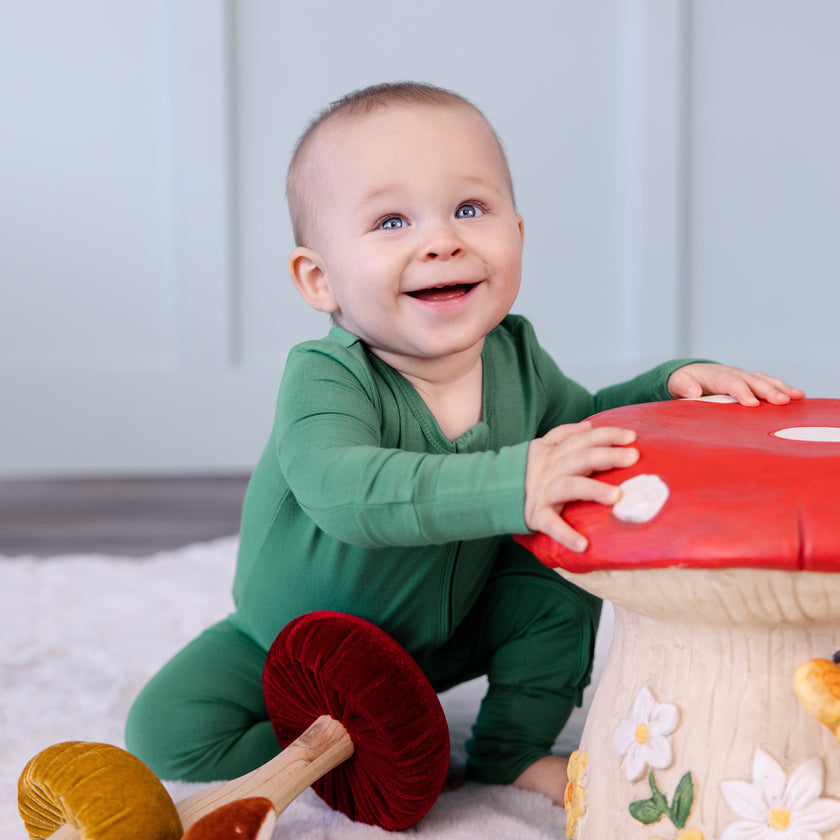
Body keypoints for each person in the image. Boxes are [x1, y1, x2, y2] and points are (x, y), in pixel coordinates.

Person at [125, 81, 803, 806]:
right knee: (165, 731)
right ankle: (367, 741)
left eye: (470, 209)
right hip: (294, 646)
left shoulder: (513, 355)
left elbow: (579, 426)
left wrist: (671, 387)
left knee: (556, 574)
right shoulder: (326, 379)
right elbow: (346, 491)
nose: (441, 238)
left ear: (517, 231)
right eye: (390, 221)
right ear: (319, 279)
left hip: (459, 625)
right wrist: (517, 483)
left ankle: (510, 749)